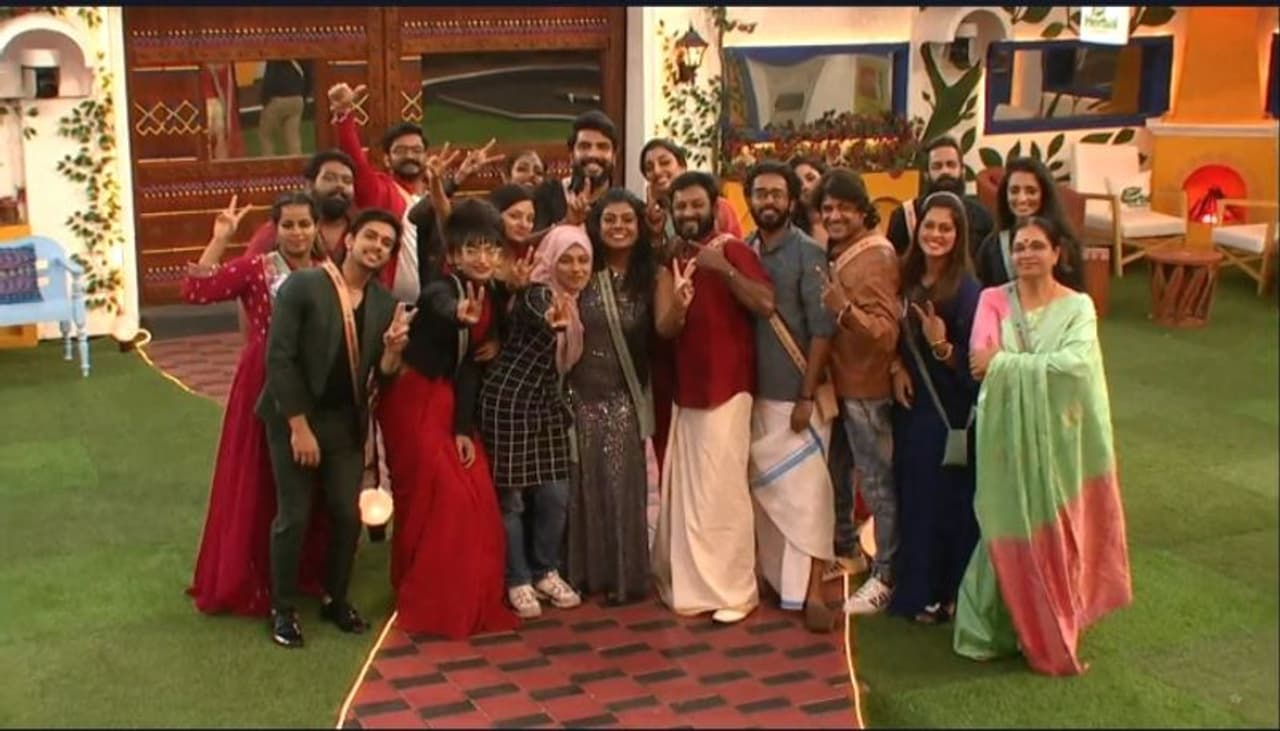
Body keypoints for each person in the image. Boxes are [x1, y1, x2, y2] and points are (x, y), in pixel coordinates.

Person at [955, 215, 1132, 676]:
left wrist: (1007, 362)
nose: (1026, 254)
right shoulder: (993, 299)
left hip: (1061, 438)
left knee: (1057, 526)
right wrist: (1019, 364)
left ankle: (1054, 623)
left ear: (1057, 254)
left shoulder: (1077, 307)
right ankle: (994, 629)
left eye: (1036, 246)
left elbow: (1077, 365)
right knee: (1003, 522)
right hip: (1004, 436)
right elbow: (978, 362)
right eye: (1019, 247)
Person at [257, 208, 409, 648]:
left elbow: (381, 377)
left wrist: (393, 353)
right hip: (294, 418)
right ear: (350, 240)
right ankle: (283, 609)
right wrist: (298, 427)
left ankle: (335, 598)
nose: (377, 247)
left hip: (345, 425)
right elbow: (279, 359)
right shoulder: (305, 286)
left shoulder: (385, 303)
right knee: (294, 516)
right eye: (371, 237)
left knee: (346, 514)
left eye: (387, 243)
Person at [376, 198, 518, 639]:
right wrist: (458, 314)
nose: (482, 258)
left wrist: (461, 430)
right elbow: (434, 301)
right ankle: (420, 587)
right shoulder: (444, 288)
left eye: (490, 249)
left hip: (449, 401)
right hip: (412, 396)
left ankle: (464, 593)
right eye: (472, 249)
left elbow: (472, 365)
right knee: (434, 496)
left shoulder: (494, 294)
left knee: (475, 493)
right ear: (454, 255)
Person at [183, 192, 330, 618]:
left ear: (316, 227)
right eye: (289, 225)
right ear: (275, 229)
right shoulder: (256, 268)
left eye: (305, 224)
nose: (297, 233)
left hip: (313, 380)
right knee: (256, 473)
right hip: (263, 377)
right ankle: (250, 574)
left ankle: (300, 569)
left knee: (305, 478)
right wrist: (220, 238)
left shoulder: (328, 271)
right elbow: (197, 291)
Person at [652, 171, 774, 625]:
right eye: (680, 206)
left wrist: (721, 267)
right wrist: (679, 304)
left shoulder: (733, 248)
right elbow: (665, 328)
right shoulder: (671, 258)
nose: (688, 212)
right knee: (690, 497)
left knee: (724, 494)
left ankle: (735, 592)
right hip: (687, 391)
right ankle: (693, 587)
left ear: (713, 207)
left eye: (695, 204)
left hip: (729, 387)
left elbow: (765, 303)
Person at [742, 160, 838, 631]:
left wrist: (805, 395)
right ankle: (778, 582)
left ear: (792, 200)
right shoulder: (744, 250)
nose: (769, 201)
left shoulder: (808, 253)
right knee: (766, 498)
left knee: (808, 499)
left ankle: (814, 591)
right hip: (753, 395)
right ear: (749, 199)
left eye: (777, 194)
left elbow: (822, 330)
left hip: (798, 395)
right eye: (760, 193)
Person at [479, 225, 593, 619]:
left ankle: (545, 570)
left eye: (583, 260)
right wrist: (552, 320)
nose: (576, 268)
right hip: (509, 404)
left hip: (545, 406)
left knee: (555, 495)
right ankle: (518, 579)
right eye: (566, 260)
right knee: (511, 499)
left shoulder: (573, 301)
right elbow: (539, 313)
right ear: (550, 260)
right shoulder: (538, 294)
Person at [887, 191, 981, 625]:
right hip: (912, 409)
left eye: (946, 228)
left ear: (959, 236)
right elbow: (891, 335)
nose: (937, 235)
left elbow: (976, 367)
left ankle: (951, 593)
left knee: (949, 505)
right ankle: (919, 590)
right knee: (915, 499)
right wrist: (896, 366)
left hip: (950, 414)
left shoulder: (968, 292)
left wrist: (941, 346)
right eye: (930, 225)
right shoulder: (905, 279)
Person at [564, 188, 656, 606]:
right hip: (578, 395)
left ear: (640, 227)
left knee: (620, 489)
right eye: (610, 220)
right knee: (581, 487)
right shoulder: (581, 268)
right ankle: (583, 574)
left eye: (627, 220)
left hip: (623, 397)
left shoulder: (650, 276)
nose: (619, 227)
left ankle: (623, 578)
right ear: (596, 226)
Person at [816, 168, 901, 616]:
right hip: (843, 386)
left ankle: (886, 576)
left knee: (877, 484)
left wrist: (843, 309)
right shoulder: (844, 249)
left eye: (844, 208)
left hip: (868, 390)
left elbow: (886, 333)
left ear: (862, 209)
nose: (834, 216)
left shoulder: (876, 256)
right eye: (827, 208)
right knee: (839, 476)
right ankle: (849, 552)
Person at [974, 156, 1084, 290]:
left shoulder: (1064, 244)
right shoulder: (991, 246)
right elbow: (984, 296)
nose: (1022, 199)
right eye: (1014, 191)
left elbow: (1075, 296)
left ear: (1044, 194)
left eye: (1031, 191)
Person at [885, 136, 993, 258]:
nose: (945, 171)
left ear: (962, 171)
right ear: (926, 174)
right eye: (937, 166)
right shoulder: (905, 215)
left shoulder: (982, 217)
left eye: (951, 165)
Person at [243, 150, 358, 260]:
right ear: (310, 185)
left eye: (347, 181)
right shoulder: (278, 230)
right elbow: (249, 268)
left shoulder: (360, 228)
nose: (340, 185)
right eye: (330, 178)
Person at [639, 137, 744, 256]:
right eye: (649, 168)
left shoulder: (717, 207)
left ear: (682, 166)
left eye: (665, 163)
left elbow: (738, 254)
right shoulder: (653, 217)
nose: (657, 171)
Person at [532, 110, 617, 231]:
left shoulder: (623, 205)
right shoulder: (547, 194)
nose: (593, 154)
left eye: (602, 147)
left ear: (614, 157)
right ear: (571, 155)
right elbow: (528, 241)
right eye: (584, 146)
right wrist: (568, 222)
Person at [258, 60, 310, 157]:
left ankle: (269, 162)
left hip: (278, 98)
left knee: (266, 135)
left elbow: (270, 78)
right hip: (297, 98)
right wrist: (303, 96)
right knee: (293, 138)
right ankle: (296, 163)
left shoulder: (275, 57)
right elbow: (309, 76)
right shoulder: (299, 57)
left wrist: (264, 100)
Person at [788, 155, 828, 245]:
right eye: (798, 184)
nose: (805, 186)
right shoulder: (790, 232)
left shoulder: (845, 219)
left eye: (810, 178)